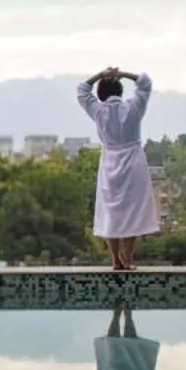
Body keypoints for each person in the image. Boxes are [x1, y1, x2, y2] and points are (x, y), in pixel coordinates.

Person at [75, 66, 161, 270]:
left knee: (111, 211)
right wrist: (123, 74)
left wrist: (100, 74)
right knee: (132, 210)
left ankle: (115, 259)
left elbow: (81, 90)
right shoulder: (133, 108)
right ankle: (128, 259)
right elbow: (146, 83)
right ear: (120, 91)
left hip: (110, 162)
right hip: (133, 162)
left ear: (101, 94)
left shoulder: (98, 111)